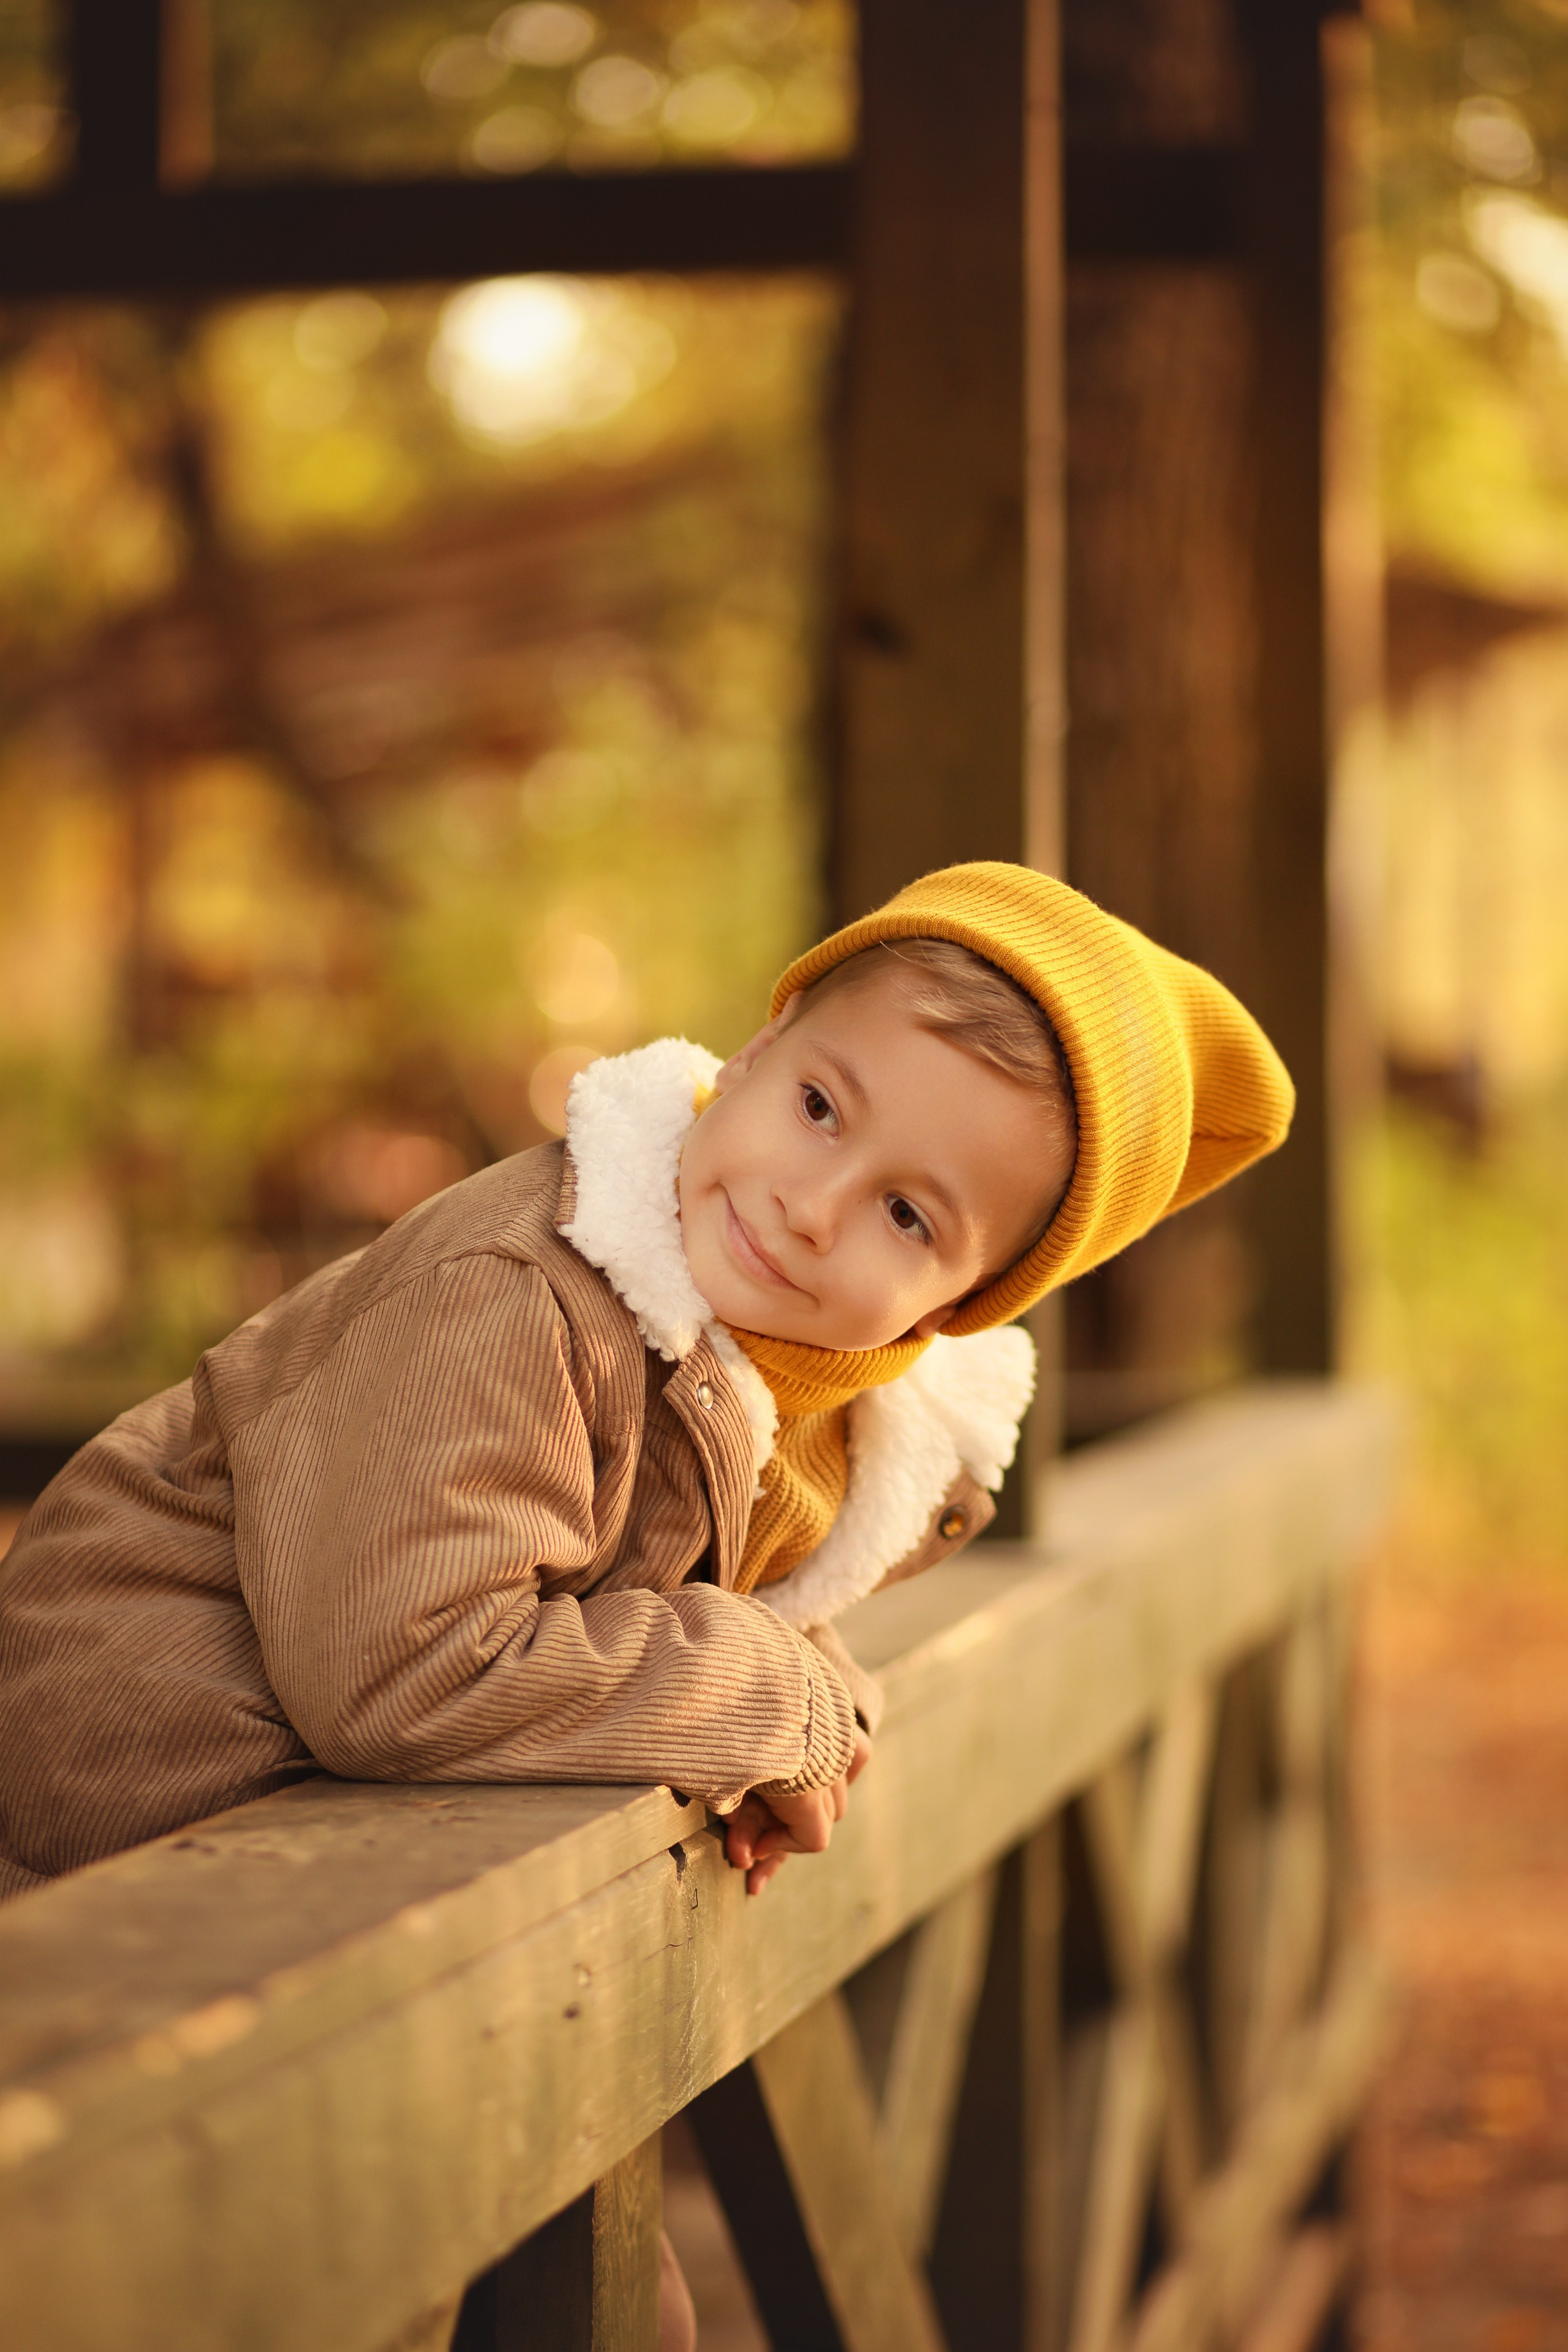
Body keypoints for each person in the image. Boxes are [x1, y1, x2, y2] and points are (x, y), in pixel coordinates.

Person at [0, 862, 1292, 1907]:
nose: (808, 1205)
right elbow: (403, 1670)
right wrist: (759, 1692)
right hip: (102, 1844)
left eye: (905, 1214)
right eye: (821, 1109)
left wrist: (796, 1699)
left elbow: (653, 1577)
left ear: (959, 1307)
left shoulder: (788, 1405)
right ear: (755, 1045)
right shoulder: (517, 1292)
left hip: (299, 1887)